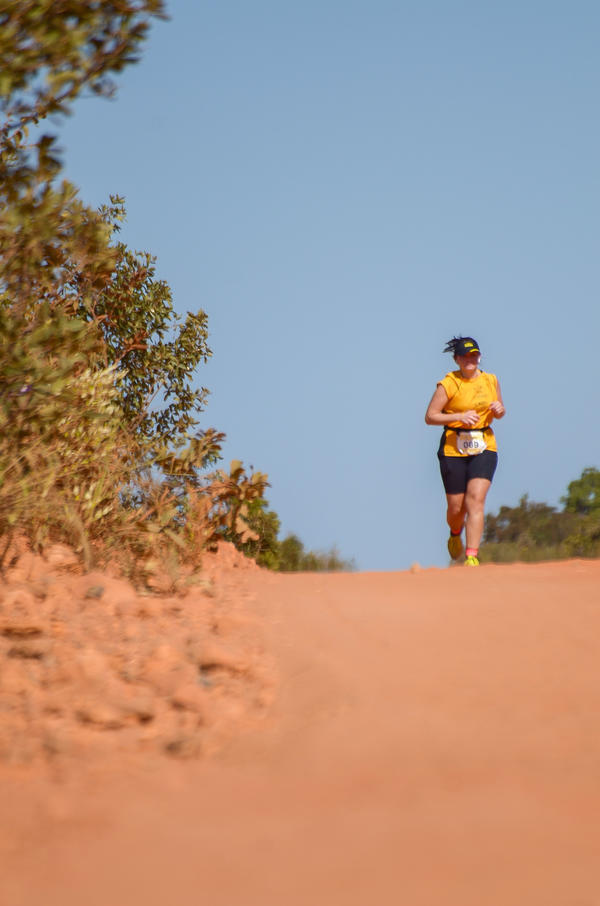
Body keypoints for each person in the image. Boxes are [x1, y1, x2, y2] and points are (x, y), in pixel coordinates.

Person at [424, 336, 506, 566]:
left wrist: (499, 409)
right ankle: (454, 532)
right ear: (457, 359)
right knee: (457, 508)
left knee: (475, 501)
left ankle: (472, 556)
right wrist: (459, 416)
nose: (470, 360)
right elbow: (430, 416)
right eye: (465, 356)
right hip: (453, 448)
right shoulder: (449, 383)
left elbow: (499, 410)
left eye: (474, 355)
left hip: (484, 445)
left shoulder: (491, 380)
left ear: (479, 357)